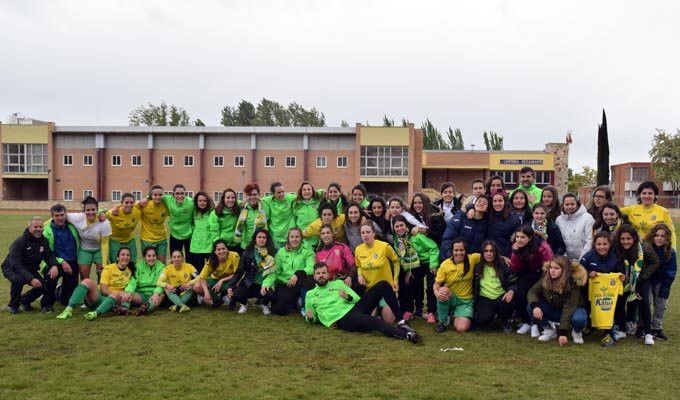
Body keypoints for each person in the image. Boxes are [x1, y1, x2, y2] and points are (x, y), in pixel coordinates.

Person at [305, 262, 422, 344]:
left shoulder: (338, 284)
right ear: (314, 276)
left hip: (354, 308)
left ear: (328, 274)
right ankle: (408, 336)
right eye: (318, 273)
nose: (321, 275)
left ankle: (401, 322)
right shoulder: (310, 295)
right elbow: (312, 317)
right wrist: (310, 318)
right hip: (343, 319)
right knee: (376, 321)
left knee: (383, 285)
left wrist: (347, 297)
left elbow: (356, 299)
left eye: (324, 273)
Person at [56, 247, 135, 320]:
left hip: (116, 300)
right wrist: (119, 294)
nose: (125, 257)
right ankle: (68, 310)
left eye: (128, 255)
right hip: (101, 297)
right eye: (123, 255)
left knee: (116, 295)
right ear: (118, 257)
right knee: (86, 281)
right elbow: (104, 290)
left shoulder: (131, 270)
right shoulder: (109, 268)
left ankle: (95, 313)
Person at [613, 225, 660, 345]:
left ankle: (648, 333)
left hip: (641, 280)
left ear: (634, 238)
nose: (625, 241)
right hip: (623, 280)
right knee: (620, 302)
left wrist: (642, 276)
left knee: (644, 303)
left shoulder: (645, 247)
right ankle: (622, 330)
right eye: (622, 238)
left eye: (628, 238)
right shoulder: (616, 248)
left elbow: (655, 262)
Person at [527, 255, 588, 345]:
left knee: (579, 319)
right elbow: (532, 292)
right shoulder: (546, 276)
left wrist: (563, 333)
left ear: (564, 270)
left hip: (573, 311)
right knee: (531, 306)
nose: (552, 270)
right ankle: (549, 329)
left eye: (556, 268)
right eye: (551, 267)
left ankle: (577, 332)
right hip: (554, 309)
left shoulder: (574, 282)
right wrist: (535, 306)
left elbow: (569, 307)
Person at [2, 217, 59, 314]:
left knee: (42, 287)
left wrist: (54, 265)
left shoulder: (43, 241)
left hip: (29, 268)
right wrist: (31, 278)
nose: (38, 229)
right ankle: (13, 305)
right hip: (11, 267)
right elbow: (16, 265)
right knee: (18, 280)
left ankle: (24, 301)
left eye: (40, 227)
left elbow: (49, 255)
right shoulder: (20, 242)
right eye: (35, 227)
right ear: (29, 228)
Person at [580, 231, 626, 346]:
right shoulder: (588, 256)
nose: (602, 247)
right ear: (594, 245)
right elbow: (579, 273)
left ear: (609, 244)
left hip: (609, 292)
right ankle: (590, 326)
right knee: (589, 307)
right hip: (591, 291)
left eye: (605, 244)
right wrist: (589, 273)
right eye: (599, 244)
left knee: (608, 308)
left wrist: (621, 277)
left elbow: (622, 273)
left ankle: (608, 332)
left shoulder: (617, 256)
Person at [391, 215, 440, 322]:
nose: (400, 228)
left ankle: (432, 311)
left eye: (401, 225)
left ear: (406, 225)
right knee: (411, 285)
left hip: (427, 262)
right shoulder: (398, 241)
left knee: (431, 286)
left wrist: (433, 264)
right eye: (397, 226)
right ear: (393, 229)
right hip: (415, 265)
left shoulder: (416, 236)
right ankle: (410, 310)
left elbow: (433, 247)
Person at [510, 225, 554, 336]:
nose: (519, 240)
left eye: (523, 237)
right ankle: (526, 322)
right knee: (521, 294)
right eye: (517, 236)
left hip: (542, 274)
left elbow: (548, 266)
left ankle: (537, 323)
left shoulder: (542, 248)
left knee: (536, 295)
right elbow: (515, 268)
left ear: (530, 238)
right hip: (526, 273)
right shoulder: (517, 246)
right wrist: (515, 252)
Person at [261, 227, 315, 316]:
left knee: (309, 281)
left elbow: (311, 268)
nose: (294, 239)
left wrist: (297, 274)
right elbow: (275, 271)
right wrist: (266, 284)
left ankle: (303, 303)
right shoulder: (281, 252)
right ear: (288, 239)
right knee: (278, 310)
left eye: (297, 237)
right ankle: (293, 302)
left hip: (300, 282)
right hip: (286, 284)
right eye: (292, 237)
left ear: (301, 238)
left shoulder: (308, 251)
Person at [354, 221, 401, 323]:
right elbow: (359, 266)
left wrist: (395, 280)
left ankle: (388, 305)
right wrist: (359, 275)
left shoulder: (384, 246)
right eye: (363, 233)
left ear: (374, 233)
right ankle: (377, 308)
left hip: (386, 289)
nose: (365, 235)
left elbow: (396, 261)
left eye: (368, 232)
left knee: (389, 320)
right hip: (370, 290)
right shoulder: (358, 250)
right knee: (370, 320)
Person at [433, 239, 479, 333]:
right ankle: (442, 322)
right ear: (452, 251)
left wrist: (504, 257)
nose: (459, 253)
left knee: (461, 328)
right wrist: (436, 293)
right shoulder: (445, 264)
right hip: (450, 297)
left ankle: (453, 316)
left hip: (465, 301)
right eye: (456, 250)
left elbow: (489, 256)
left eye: (461, 250)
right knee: (443, 290)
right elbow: (436, 285)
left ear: (465, 250)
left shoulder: (472, 258)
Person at [227, 228, 276, 314]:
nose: (261, 239)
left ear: (267, 239)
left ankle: (264, 305)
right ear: (255, 239)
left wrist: (267, 284)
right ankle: (244, 304)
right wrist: (230, 286)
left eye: (264, 238)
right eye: (259, 237)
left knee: (271, 295)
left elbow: (272, 273)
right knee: (234, 294)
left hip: (263, 284)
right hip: (248, 283)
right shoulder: (247, 253)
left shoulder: (272, 253)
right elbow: (239, 271)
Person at [473, 240, 517, 332]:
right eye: (486, 251)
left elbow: (512, 282)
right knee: (482, 320)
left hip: (501, 296)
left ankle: (506, 321)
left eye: (491, 251)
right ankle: (493, 316)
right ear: (482, 253)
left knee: (509, 299)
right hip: (485, 297)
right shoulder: (478, 267)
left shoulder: (503, 265)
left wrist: (511, 291)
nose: (489, 254)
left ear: (495, 252)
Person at [42, 204, 80, 309]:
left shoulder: (72, 226)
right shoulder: (47, 231)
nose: (60, 218)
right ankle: (47, 304)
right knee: (51, 276)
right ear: (52, 217)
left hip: (72, 261)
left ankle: (63, 296)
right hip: (54, 262)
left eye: (62, 215)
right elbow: (47, 252)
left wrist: (101, 212)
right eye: (57, 215)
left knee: (68, 297)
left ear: (65, 214)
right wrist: (61, 261)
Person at [66, 196, 112, 281]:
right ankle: (86, 293)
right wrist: (44, 226)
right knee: (84, 276)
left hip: (99, 249)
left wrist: (104, 264)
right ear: (84, 211)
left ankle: (101, 293)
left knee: (103, 274)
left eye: (93, 210)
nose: (91, 212)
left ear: (97, 210)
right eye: (88, 210)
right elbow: (60, 216)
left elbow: (105, 244)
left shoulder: (104, 222)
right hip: (84, 249)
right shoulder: (78, 218)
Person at [621, 181, 676, 250]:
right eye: (644, 193)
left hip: (656, 249)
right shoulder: (630, 209)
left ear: (655, 195)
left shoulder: (663, 212)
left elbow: (671, 231)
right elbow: (613, 212)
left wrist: (673, 249)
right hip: (636, 248)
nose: (647, 196)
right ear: (640, 195)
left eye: (650, 193)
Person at [646, 223, 676, 341]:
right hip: (648, 280)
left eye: (662, 236)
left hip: (662, 282)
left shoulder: (670, 252)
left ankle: (657, 328)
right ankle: (643, 325)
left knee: (661, 304)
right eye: (657, 235)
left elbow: (671, 271)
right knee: (645, 302)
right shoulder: (647, 249)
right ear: (652, 236)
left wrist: (665, 285)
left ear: (667, 238)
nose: (659, 238)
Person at [193, 239, 240, 309]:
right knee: (196, 286)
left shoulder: (235, 256)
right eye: (218, 249)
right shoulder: (211, 261)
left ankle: (228, 298)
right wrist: (206, 293)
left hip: (230, 281)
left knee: (238, 282)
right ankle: (217, 299)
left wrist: (222, 280)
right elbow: (202, 277)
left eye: (223, 248)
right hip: (215, 281)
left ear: (227, 249)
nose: (221, 251)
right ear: (215, 251)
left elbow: (237, 274)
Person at [119, 246, 166, 315]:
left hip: (153, 293)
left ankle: (144, 309)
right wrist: (129, 292)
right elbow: (133, 282)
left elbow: (161, 283)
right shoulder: (138, 266)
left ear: (156, 256)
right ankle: (124, 308)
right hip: (140, 294)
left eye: (154, 256)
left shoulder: (161, 267)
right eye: (149, 256)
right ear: (144, 257)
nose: (151, 258)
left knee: (161, 296)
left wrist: (156, 294)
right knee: (128, 294)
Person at [556, 193, 595, 261]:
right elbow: (558, 241)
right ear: (563, 205)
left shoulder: (587, 218)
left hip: (584, 259)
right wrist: (565, 259)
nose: (570, 207)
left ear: (577, 204)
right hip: (566, 260)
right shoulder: (559, 220)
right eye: (567, 204)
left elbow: (590, 240)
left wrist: (582, 259)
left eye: (572, 204)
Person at [136, 185, 169, 264]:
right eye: (155, 195)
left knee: (161, 264)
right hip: (147, 239)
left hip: (161, 239)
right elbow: (131, 206)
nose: (158, 197)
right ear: (151, 195)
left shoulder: (166, 205)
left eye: (160, 195)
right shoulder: (145, 204)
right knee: (148, 263)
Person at [106, 192, 141, 264]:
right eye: (126, 202)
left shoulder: (137, 211)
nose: (129, 205)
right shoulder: (113, 213)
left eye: (131, 203)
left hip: (130, 240)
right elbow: (101, 214)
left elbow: (146, 201)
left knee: (132, 263)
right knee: (115, 263)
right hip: (115, 241)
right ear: (122, 203)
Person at [162, 184, 194, 256]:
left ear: (185, 194)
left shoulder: (191, 202)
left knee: (191, 259)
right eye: (177, 193)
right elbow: (155, 194)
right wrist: (147, 198)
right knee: (175, 259)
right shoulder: (168, 200)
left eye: (182, 193)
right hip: (174, 235)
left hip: (189, 235)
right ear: (173, 194)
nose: (180, 196)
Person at [486, 191, 521, 257]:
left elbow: (514, 242)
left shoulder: (514, 220)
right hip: (489, 254)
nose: (497, 203)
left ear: (505, 202)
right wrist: (471, 208)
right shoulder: (487, 216)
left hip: (506, 256)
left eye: (500, 201)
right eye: (495, 201)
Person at [263, 182, 296, 249]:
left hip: (289, 237)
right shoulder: (268, 201)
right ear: (273, 194)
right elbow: (258, 199)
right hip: (276, 237)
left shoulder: (290, 197)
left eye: (283, 191)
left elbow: (302, 196)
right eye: (278, 192)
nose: (282, 194)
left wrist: (319, 193)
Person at [234, 182, 268, 250]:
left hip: (261, 246)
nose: (252, 197)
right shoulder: (242, 208)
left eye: (255, 194)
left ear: (259, 195)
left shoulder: (265, 207)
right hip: (245, 246)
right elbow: (230, 202)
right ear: (246, 196)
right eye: (249, 195)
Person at [187, 191, 214, 273]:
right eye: (200, 201)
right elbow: (191, 224)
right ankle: (197, 285)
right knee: (198, 270)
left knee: (210, 269)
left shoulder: (212, 212)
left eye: (204, 201)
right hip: (196, 246)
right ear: (196, 202)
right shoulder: (194, 212)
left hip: (209, 245)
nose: (202, 203)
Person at [208, 188, 241, 253]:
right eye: (228, 198)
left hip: (236, 244)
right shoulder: (216, 212)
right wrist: (219, 245)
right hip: (222, 246)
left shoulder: (238, 210)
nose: (231, 200)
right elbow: (214, 231)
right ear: (223, 199)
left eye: (233, 197)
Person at [293, 181, 324, 247]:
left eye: (309, 189)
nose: (306, 192)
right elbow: (294, 221)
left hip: (317, 240)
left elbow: (323, 191)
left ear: (313, 191)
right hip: (303, 240)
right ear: (301, 192)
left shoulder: (318, 202)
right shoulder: (296, 204)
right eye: (304, 190)